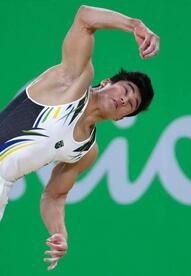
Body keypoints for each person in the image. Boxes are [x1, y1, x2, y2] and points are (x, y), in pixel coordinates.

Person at [0, 5, 159, 270]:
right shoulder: (72, 80)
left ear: (121, 118)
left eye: (130, 104)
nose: (123, 99)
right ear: (107, 82)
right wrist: (134, 24)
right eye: (126, 89)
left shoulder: (86, 150)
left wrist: (59, 231)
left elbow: (54, 196)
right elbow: (85, 17)